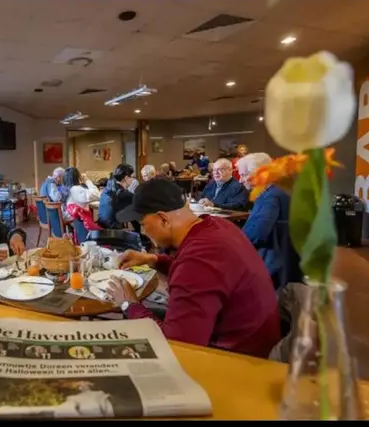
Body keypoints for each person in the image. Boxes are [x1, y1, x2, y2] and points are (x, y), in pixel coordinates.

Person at [106, 178, 280, 359]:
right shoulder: (218, 226)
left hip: (238, 360)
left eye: (142, 224)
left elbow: (177, 346)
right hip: (254, 340)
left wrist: (129, 304)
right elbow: (204, 275)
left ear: (163, 220)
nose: (143, 232)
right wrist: (154, 259)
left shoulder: (198, 260)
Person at [238, 153, 303, 290]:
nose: (240, 180)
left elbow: (257, 234)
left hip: (274, 268)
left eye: (243, 175)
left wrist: (233, 242)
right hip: (285, 262)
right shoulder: (277, 191)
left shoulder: (270, 197)